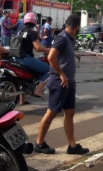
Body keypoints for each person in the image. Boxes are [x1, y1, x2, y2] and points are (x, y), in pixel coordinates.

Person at [34, 14, 89, 155]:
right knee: (51, 112)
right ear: (77, 28)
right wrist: (62, 74)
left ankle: (72, 146)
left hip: (69, 82)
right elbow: (51, 56)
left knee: (69, 113)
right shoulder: (62, 38)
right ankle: (39, 143)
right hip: (60, 82)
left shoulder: (68, 39)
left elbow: (63, 56)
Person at [13, 12, 51, 105]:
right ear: (34, 21)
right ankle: (38, 90)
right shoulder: (31, 33)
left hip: (15, 58)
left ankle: (23, 99)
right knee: (49, 70)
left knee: (23, 78)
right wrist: (49, 50)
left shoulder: (20, 31)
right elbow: (38, 47)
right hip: (26, 59)